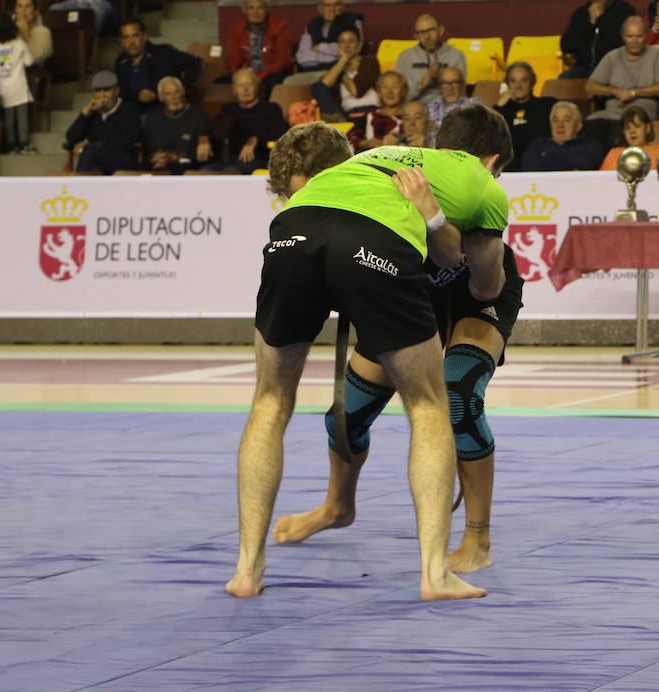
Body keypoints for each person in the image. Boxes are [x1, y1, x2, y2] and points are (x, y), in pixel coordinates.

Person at [229, 108, 513, 601]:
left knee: (270, 400)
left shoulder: (371, 160)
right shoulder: (483, 184)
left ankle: (246, 571)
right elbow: (456, 263)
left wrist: (435, 218)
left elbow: (486, 290)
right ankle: (431, 573)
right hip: (379, 250)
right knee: (422, 408)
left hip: (299, 232)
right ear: (491, 161)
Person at [586, 16, 659, 122]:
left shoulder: (656, 54)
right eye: (630, 36)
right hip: (612, 115)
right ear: (623, 36)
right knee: (591, 122)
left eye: (639, 36)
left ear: (646, 36)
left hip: (642, 115)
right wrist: (615, 91)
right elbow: (590, 86)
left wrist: (633, 93)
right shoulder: (612, 56)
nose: (635, 41)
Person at [207, 69, 289, 173]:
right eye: (240, 85)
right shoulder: (227, 109)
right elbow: (214, 131)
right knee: (204, 171)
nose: (245, 89)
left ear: (257, 87)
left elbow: (281, 133)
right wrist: (204, 138)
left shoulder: (271, 108)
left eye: (249, 84)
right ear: (233, 90)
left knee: (231, 171)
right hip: (228, 159)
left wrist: (257, 139)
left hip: (258, 158)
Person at [559, 0, 637, 78]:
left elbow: (624, 42)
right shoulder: (581, 13)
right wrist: (589, 23)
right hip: (584, 69)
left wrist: (600, 19)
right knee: (564, 79)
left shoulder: (625, 11)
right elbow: (566, 46)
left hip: (615, 69)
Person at [0, 12, 35, 153]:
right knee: (22, 117)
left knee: (8, 118)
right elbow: (29, 61)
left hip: (4, 90)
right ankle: (24, 143)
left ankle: (11, 145)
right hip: (20, 87)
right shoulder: (19, 43)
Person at [114, 18, 202, 111]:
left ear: (144, 37)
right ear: (121, 41)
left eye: (135, 35)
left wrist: (181, 89)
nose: (131, 42)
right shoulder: (121, 62)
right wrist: (138, 95)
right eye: (125, 37)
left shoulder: (164, 53)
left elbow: (196, 63)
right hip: (134, 115)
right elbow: (121, 92)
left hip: (164, 112)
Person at [63, 70, 142, 174]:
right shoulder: (93, 112)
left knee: (90, 151)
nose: (102, 95)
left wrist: (93, 145)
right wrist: (84, 114)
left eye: (106, 90)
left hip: (123, 160)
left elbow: (125, 142)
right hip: (95, 160)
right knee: (92, 162)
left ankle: (79, 187)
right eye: (98, 90)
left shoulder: (129, 110)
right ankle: (82, 185)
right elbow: (71, 138)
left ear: (117, 91)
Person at [225, 0, 294, 96]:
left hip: (271, 73)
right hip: (246, 72)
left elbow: (282, 60)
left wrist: (260, 76)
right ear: (244, 9)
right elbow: (232, 57)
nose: (255, 12)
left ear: (266, 9)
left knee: (272, 83)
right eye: (251, 8)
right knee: (220, 82)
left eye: (260, 8)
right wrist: (238, 76)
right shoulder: (236, 27)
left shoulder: (280, 26)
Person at [495, 61, 554, 170]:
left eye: (524, 80)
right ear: (507, 84)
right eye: (513, 81)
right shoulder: (500, 111)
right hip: (508, 165)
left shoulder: (547, 105)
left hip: (540, 161)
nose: (518, 86)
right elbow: (485, 133)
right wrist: (499, 105)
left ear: (533, 82)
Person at [310, 26, 379, 121]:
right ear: (338, 47)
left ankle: (339, 123)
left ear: (359, 45)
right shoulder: (337, 68)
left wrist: (343, 76)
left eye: (351, 41)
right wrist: (343, 60)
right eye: (342, 42)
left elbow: (356, 91)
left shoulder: (369, 60)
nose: (347, 46)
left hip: (370, 112)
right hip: (347, 115)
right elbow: (323, 86)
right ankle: (340, 121)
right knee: (316, 86)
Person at [143, 76, 211, 171]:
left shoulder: (198, 115)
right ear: (161, 98)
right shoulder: (152, 118)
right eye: (168, 94)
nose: (174, 97)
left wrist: (174, 157)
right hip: (159, 166)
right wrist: (154, 158)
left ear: (182, 92)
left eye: (176, 92)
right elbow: (147, 150)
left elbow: (201, 153)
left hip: (187, 166)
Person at [294, 0, 364, 78]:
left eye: (336, 4)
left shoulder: (353, 22)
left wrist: (320, 47)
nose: (332, 9)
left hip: (341, 72)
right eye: (327, 5)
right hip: (312, 72)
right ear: (319, 8)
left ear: (342, 7)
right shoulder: (312, 25)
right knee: (288, 83)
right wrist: (334, 57)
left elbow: (353, 50)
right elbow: (302, 57)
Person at [397, 13, 466, 102]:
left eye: (431, 30)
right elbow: (399, 98)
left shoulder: (456, 55)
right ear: (416, 36)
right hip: (414, 109)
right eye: (421, 33)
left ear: (441, 30)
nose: (427, 36)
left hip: (446, 107)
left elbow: (460, 94)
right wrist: (421, 85)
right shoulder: (405, 57)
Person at [523, 101, 605, 171]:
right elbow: (528, 167)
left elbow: (587, 163)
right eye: (555, 120)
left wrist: (547, 155)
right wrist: (571, 165)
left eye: (566, 120)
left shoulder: (590, 145)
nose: (560, 125)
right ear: (551, 125)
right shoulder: (539, 144)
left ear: (578, 126)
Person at [349, 70, 408, 151]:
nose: (389, 92)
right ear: (379, 91)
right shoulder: (370, 115)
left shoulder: (408, 117)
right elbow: (351, 137)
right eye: (385, 87)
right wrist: (366, 143)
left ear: (403, 91)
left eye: (395, 87)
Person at [599, 105, 659, 171]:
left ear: (648, 128)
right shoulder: (614, 155)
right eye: (627, 128)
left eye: (637, 126)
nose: (632, 131)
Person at [12, 0, 53, 66]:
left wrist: (25, 33)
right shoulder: (9, 31)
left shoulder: (43, 31)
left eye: (28, 6)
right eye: (20, 6)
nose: (23, 10)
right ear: (15, 11)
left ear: (35, 11)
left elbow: (36, 57)